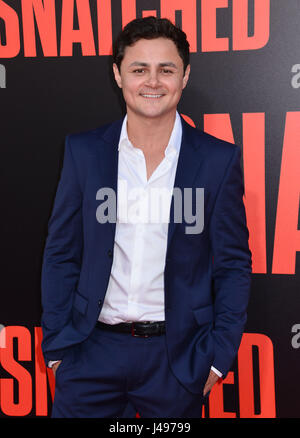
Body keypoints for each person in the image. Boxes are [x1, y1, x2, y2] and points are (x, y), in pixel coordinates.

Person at [41, 16, 252, 418]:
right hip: (90, 354)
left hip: (177, 360)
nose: (152, 82)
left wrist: (217, 358)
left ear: (185, 76)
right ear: (118, 74)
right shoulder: (84, 153)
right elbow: (61, 254)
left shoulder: (217, 161)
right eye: (139, 69)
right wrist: (58, 348)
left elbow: (233, 266)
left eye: (166, 69)